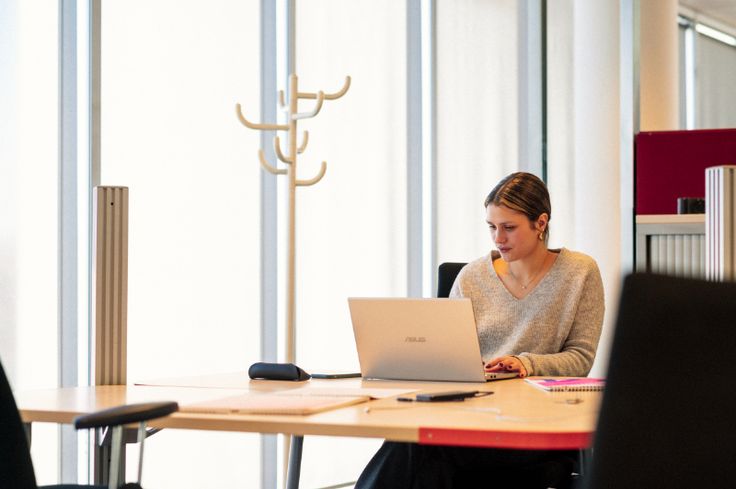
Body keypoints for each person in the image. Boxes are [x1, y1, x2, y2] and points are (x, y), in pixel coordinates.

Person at [355, 171, 605, 489]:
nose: (498, 238)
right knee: (418, 447)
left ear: (540, 223)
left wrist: (525, 363)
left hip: (537, 424)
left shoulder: (579, 273)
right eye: (491, 227)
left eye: (509, 228)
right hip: (470, 415)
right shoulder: (471, 277)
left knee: (420, 449)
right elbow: (447, 352)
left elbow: (580, 358)